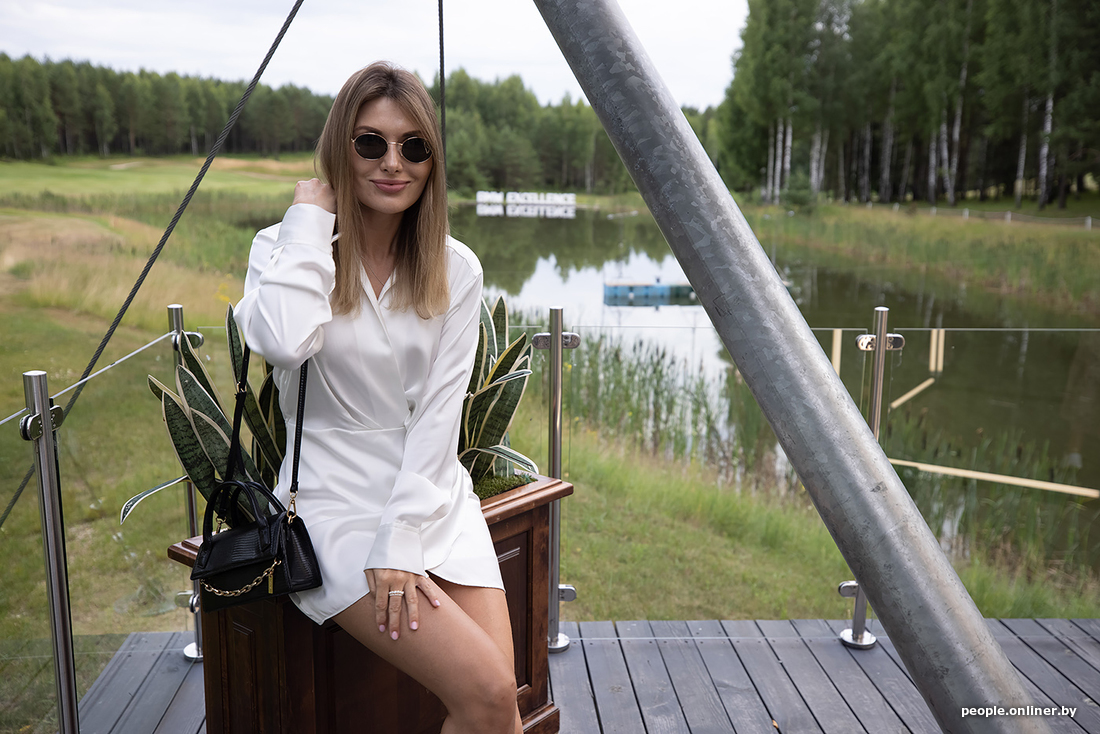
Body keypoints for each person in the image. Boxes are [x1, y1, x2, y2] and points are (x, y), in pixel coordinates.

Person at [234, 62, 521, 734]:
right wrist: (310, 220)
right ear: (341, 148)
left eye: (413, 146)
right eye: (370, 143)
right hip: (333, 504)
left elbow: (441, 416)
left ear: (432, 162)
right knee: (486, 698)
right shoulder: (283, 247)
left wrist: (402, 533)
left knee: (497, 707)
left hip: (431, 495)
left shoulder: (456, 266)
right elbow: (282, 342)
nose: (393, 162)